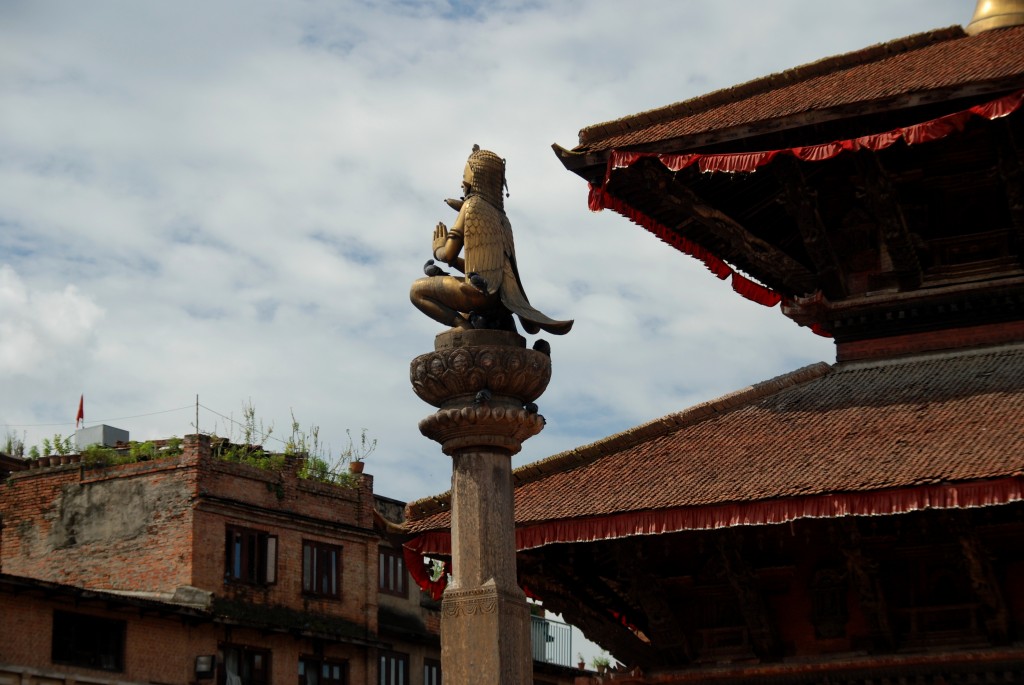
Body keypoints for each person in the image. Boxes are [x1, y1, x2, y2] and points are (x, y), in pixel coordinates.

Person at [410, 146, 573, 336]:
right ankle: (470, 323)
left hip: (480, 296)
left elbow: (447, 254)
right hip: (503, 301)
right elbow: (487, 269)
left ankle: (463, 326)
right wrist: (454, 263)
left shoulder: (471, 206)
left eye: (465, 175)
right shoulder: (503, 220)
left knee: (417, 291)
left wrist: (438, 248)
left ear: (474, 176)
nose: (462, 182)